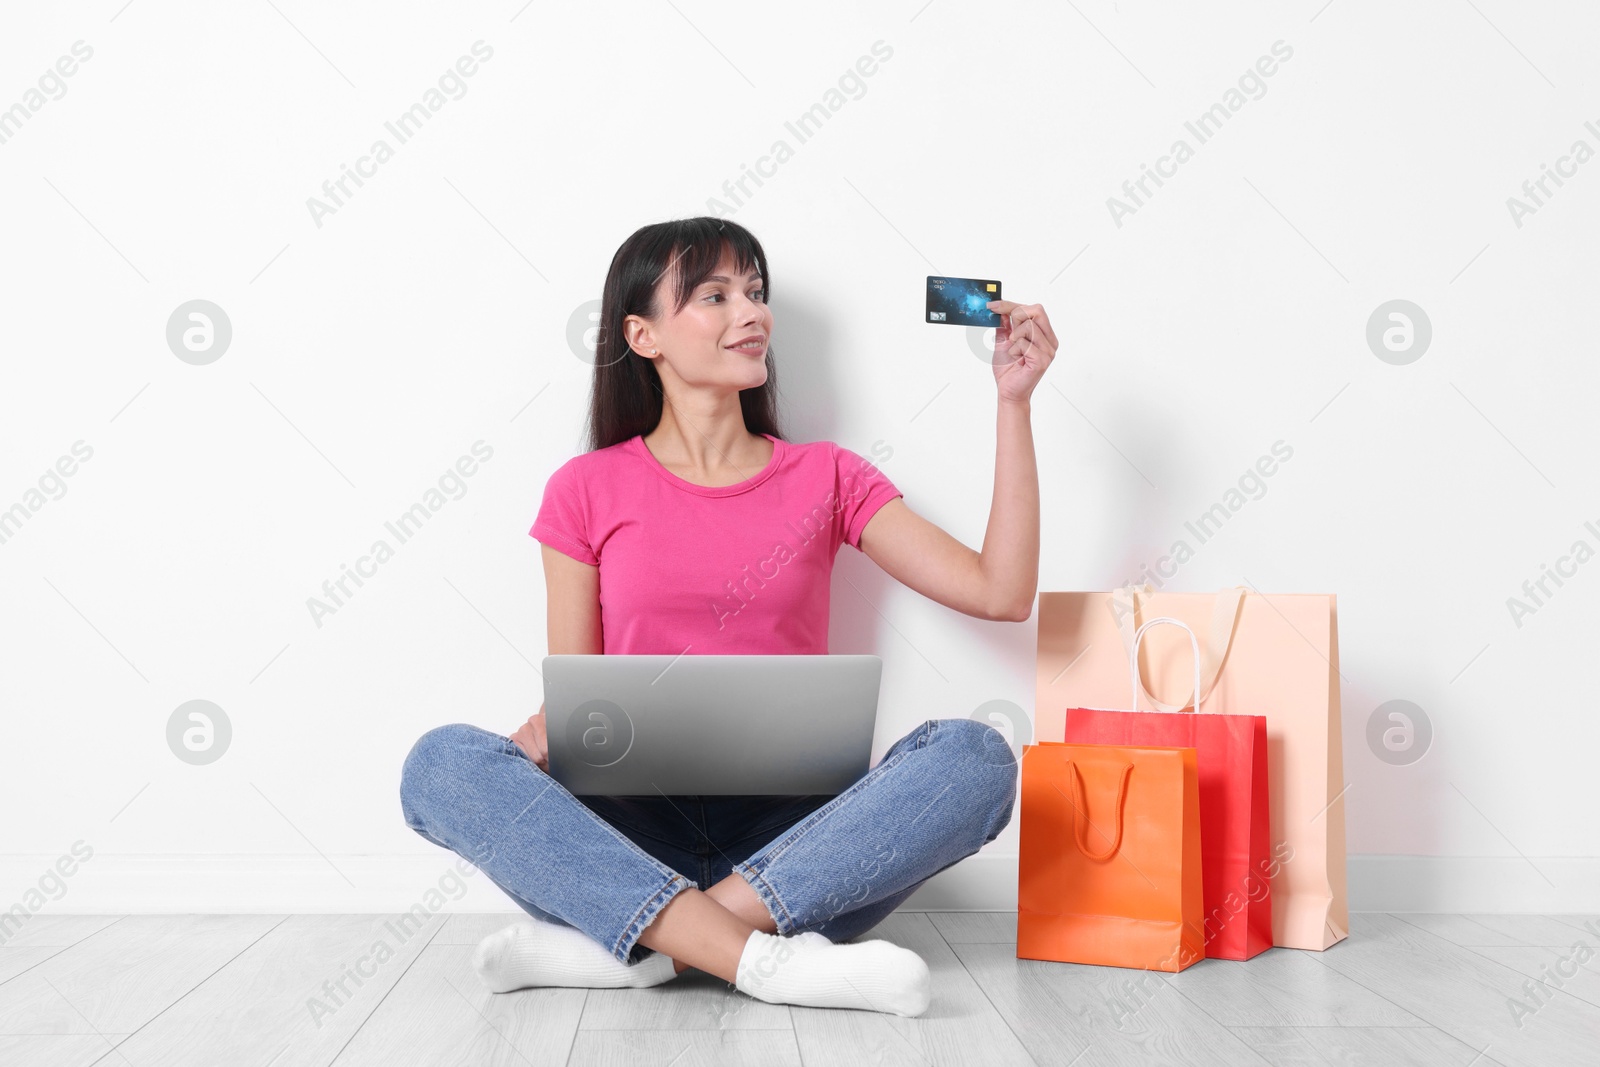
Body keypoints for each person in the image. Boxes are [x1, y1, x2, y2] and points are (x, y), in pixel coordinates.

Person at [399, 216, 1056, 1018]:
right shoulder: (585, 488)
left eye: (755, 291)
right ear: (643, 336)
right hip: (625, 840)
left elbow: (1000, 592)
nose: (752, 313)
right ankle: (756, 957)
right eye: (715, 295)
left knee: (976, 758)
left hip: (800, 849)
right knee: (439, 764)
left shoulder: (828, 476)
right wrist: (544, 734)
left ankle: (648, 948)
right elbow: (578, 696)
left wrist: (1013, 404)